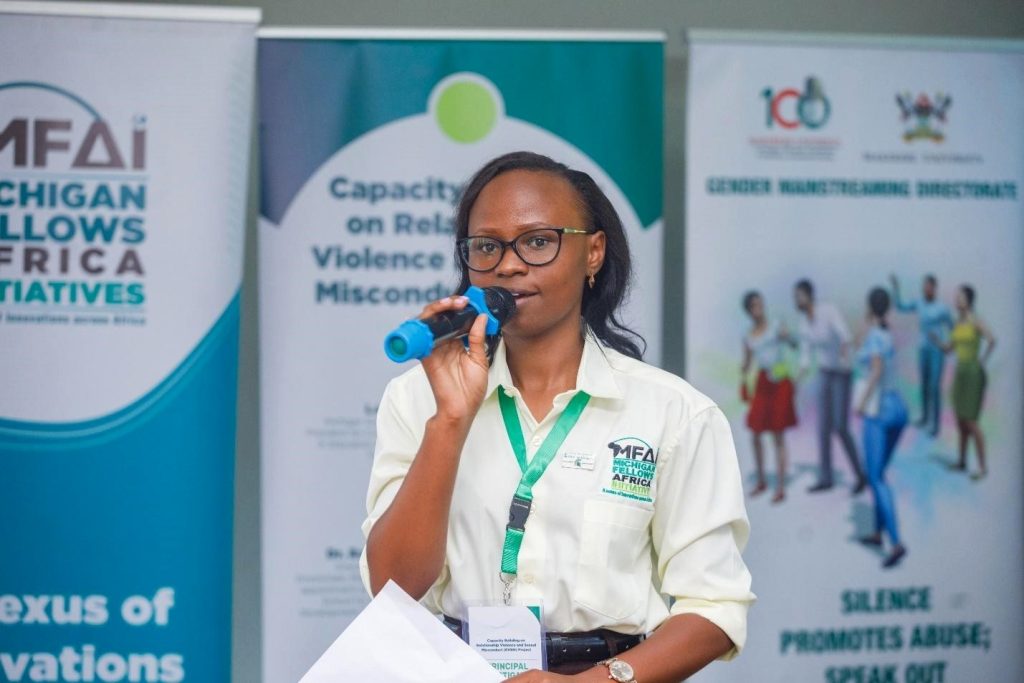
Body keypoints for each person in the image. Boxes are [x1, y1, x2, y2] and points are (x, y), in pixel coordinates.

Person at [361, 151, 754, 682]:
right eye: (487, 246)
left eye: (538, 242)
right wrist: (450, 421)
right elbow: (395, 587)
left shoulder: (674, 412)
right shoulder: (419, 401)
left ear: (593, 253)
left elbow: (715, 607)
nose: (509, 264)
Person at [792, 280, 867, 495]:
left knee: (841, 426)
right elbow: (806, 357)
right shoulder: (804, 323)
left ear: (809, 295)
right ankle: (826, 478)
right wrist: (796, 380)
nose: (796, 300)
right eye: (795, 297)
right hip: (825, 372)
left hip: (842, 372)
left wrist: (845, 348)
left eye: (799, 296)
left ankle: (861, 475)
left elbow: (845, 335)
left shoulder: (828, 311)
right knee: (822, 428)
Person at [854, 287, 909, 569]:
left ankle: (896, 542)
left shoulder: (876, 335)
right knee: (879, 473)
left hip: (879, 411)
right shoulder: (886, 333)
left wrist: (861, 403)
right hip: (898, 407)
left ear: (870, 307)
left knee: (875, 478)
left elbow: (875, 370)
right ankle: (877, 532)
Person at [931, 285, 996, 479]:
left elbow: (992, 340)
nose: (957, 300)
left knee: (972, 422)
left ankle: (983, 467)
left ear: (969, 300)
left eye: (960, 297)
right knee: (960, 421)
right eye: (956, 297)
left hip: (973, 373)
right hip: (960, 373)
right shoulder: (958, 324)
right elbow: (948, 349)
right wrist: (937, 341)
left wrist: (982, 361)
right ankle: (961, 462)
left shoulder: (976, 321)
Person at [740, 291, 797, 503]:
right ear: (748, 311)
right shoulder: (748, 335)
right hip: (763, 382)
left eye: (760, 304)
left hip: (779, 380)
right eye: (754, 306)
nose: (758, 308)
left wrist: (788, 336)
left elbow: (793, 344)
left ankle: (780, 486)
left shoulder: (775, 326)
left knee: (778, 435)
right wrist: (744, 375)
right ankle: (762, 479)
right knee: (755, 433)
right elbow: (747, 361)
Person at [889, 273, 953, 437]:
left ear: (934, 288)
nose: (925, 289)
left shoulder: (942, 308)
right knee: (924, 385)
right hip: (923, 349)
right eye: (924, 286)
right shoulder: (919, 303)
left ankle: (935, 425)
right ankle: (925, 418)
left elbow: (953, 328)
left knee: (934, 387)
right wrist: (896, 288)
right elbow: (901, 307)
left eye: (928, 286)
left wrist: (948, 345)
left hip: (937, 351)